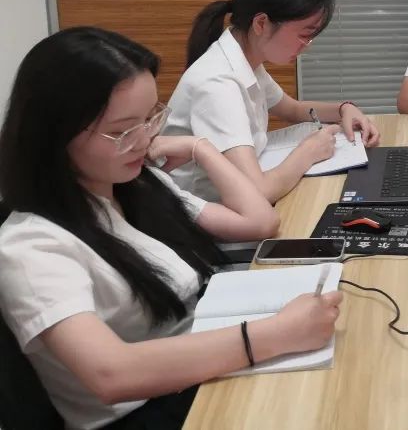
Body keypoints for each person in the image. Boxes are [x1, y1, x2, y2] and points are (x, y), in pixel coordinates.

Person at [0, 28, 343, 430]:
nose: (145, 139)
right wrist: (275, 335)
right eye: (122, 131)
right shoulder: (32, 246)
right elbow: (110, 374)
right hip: (146, 412)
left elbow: (259, 222)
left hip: (200, 367)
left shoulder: (135, 184)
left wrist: (201, 147)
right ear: (54, 134)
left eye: (150, 118)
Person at [166, 0, 379, 203]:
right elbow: (256, 192)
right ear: (261, 23)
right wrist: (308, 152)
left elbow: (293, 109)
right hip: (206, 217)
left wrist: (344, 109)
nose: (307, 46)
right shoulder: (217, 84)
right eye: (304, 35)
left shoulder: (245, 57)